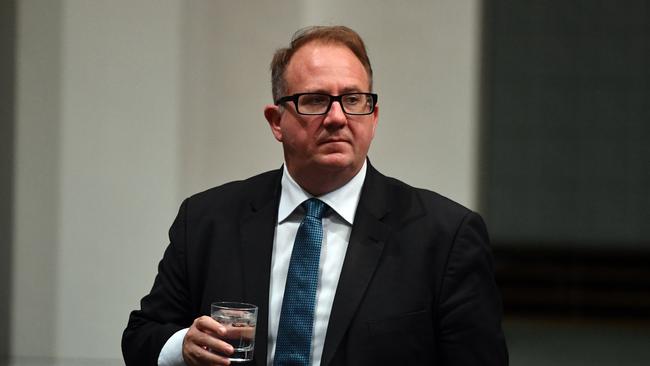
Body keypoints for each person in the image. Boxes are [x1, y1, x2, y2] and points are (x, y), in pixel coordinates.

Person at [122, 25, 508, 366]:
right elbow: (141, 337)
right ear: (277, 122)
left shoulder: (444, 236)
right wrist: (182, 347)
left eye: (354, 100)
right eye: (316, 100)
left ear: (373, 118)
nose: (338, 117)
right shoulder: (208, 219)